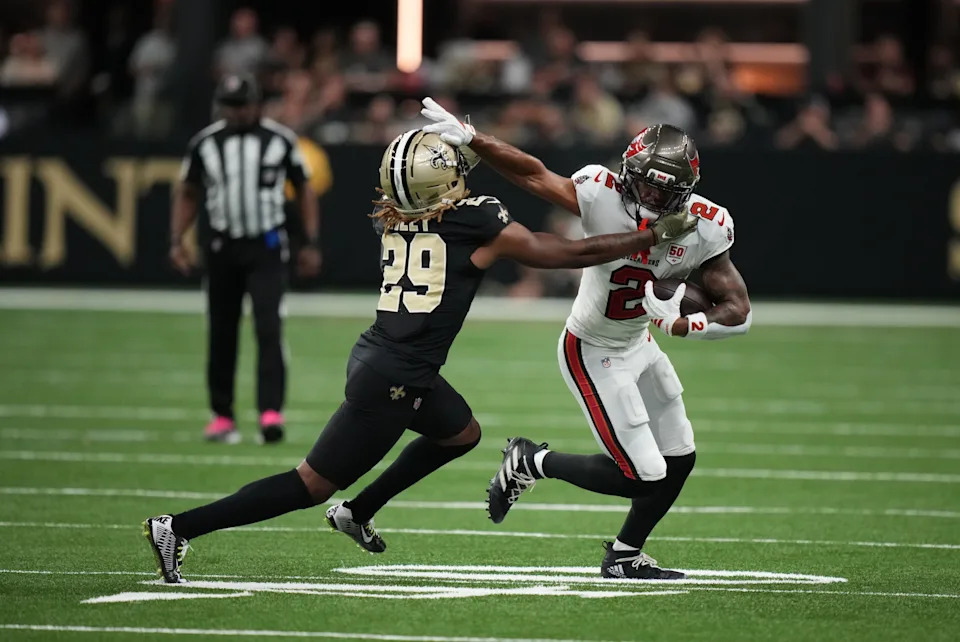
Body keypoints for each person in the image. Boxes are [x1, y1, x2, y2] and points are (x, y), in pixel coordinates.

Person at [144, 128, 699, 584]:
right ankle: (182, 526)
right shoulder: (473, 220)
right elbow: (564, 252)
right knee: (308, 484)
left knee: (461, 434)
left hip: (390, 360)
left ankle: (358, 512)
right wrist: (644, 239)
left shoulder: (398, 215)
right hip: (394, 379)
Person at [420, 98, 752, 580]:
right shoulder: (601, 193)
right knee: (643, 474)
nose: (651, 200)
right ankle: (532, 461)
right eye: (643, 185)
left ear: (685, 192)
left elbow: (738, 309)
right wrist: (475, 139)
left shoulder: (705, 224)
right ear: (626, 172)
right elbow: (534, 175)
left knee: (680, 455)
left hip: (639, 343)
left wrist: (686, 325)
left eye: (664, 194)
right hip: (592, 348)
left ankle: (624, 554)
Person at [169, 73, 321, 444]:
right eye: (230, 105)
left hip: (266, 246)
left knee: (269, 328)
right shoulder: (205, 143)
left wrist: (310, 241)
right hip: (221, 246)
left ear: (256, 104)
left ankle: (271, 412)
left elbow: (304, 188)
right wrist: (177, 239)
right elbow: (188, 191)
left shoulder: (280, 140)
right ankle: (222, 415)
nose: (236, 112)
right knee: (222, 331)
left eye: (242, 105)